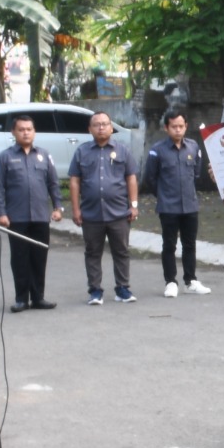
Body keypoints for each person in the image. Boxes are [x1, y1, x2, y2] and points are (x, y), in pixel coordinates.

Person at [0, 113, 63, 312]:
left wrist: (58, 207)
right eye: (21, 129)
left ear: (34, 132)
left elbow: (53, 184)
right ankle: (21, 298)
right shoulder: (5, 157)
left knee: (39, 257)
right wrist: (1, 212)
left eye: (29, 129)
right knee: (20, 258)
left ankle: (38, 297)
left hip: (40, 216)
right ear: (14, 132)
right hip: (16, 217)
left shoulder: (44, 155)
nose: (25, 133)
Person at [68, 111, 139, 304]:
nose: (101, 127)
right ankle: (95, 291)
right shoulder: (82, 152)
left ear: (111, 127)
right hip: (91, 214)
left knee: (121, 251)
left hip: (119, 213)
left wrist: (134, 205)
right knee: (92, 253)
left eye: (105, 124)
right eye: (97, 124)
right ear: (89, 129)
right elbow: (74, 181)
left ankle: (122, 289)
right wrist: (75, 210)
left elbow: (131, 177)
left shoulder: (122, 150)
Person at [141, 109, 212, 298]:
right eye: (174, 127)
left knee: (190, 244)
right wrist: (163, 195)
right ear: (166, 128)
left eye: (181, 126)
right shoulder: (157, 150)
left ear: (186, 126)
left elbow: (196, 173)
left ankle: (191, 280)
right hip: (168, 206)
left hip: (190, 204)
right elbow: (150, 178)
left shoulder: (193, 147)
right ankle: (171, 281)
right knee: (169, 245)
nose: (178, 130)